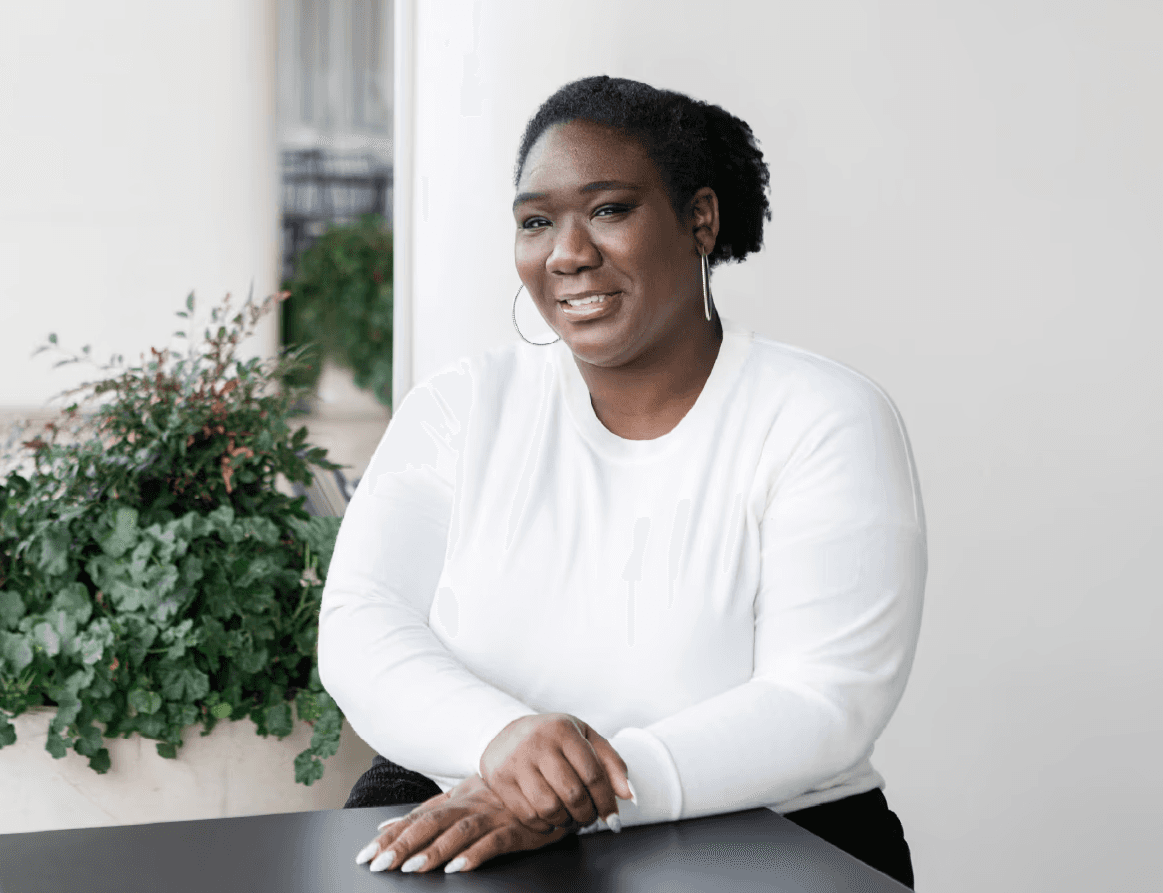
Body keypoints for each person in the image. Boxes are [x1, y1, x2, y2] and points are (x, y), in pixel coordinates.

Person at [317, 75, 925, 887]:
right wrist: (501, 742)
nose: (566, 253)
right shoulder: (460, 407)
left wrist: (574, 793)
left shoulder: (823, 416)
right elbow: (361, 624)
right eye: (537, 222)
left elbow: (822, 702)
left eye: (607, 209)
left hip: (764, 835)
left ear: (698, 220)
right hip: (469, 799)